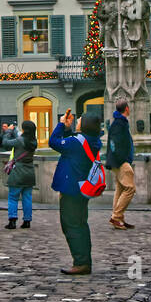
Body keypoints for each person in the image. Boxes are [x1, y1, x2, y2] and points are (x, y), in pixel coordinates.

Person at [50, 109, 102, 275]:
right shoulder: (93, 140)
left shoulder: (75, 142)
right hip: (82, 188)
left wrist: (60, 124)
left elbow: (54, 142)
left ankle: (81, 262)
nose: (77, 121)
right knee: (80, 224)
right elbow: (73, 142)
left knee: (71, 225)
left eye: (79, 120)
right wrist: (68, 128)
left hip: (72, 188)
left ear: (84, 124)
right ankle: (84, 260)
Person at [0, 120, 37, 229]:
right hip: (29, 171)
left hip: (18, 172)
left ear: (24, 129)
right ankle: (27, 221)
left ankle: (12, 220)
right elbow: (20, 139)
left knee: (13, 197)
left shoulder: (20, 140)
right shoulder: (34, 141)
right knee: (27, 197)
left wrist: (8, 131)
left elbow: (6, 143)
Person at [107, 99, 136, 230]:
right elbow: (115, 144)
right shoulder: (119, 124)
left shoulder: (119, 123)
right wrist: (121, 160)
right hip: (121, 161)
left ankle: (119, 218)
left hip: (119, 161)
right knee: (130, 188)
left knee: (120, 189)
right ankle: (116, 216)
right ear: (127, 109)